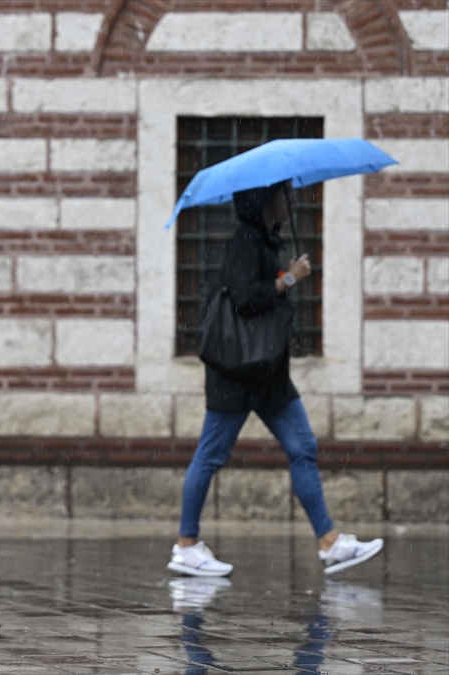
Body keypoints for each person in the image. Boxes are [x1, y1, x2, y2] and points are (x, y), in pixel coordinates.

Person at [168, 182, 383, 578]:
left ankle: (330, 542)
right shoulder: (245, 240)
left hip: (266, 373)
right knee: (211, 454)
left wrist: (285, 275)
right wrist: (290, 279)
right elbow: (244, 297)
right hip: (236, 374)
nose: (291, 200)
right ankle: (186, 546)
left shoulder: (266, 240)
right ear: (263, 200)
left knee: (302, 447)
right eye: (283, 194)